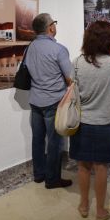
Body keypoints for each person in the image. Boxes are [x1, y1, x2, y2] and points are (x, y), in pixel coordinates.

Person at [69, 21, 110, 220]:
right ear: (106, 40)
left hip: (82, 122)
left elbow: (73, 88)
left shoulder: (77, 62)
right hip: (105, 122)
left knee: (83, 166)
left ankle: (84, 205)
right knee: (101, 167)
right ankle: (100, 211)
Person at [25, 13, 73, 189]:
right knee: (55, 142)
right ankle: (52, 179)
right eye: (54, 23)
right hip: (53, 101)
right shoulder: (59, 49)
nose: (55, 26)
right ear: (50, 27)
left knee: (37, 139)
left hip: (35, 100)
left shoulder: (29, 48)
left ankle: (39, 174)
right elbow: (70, 78)